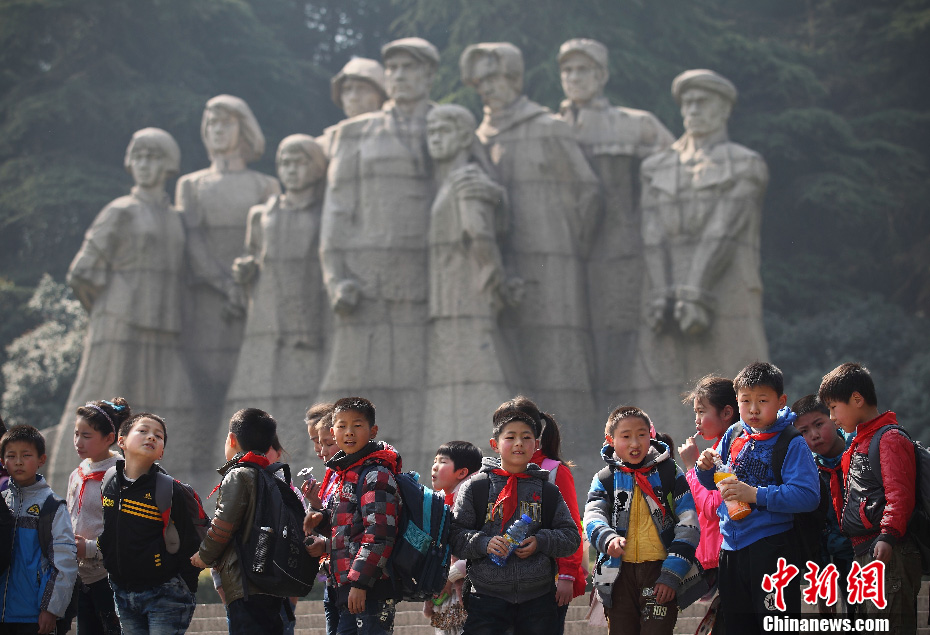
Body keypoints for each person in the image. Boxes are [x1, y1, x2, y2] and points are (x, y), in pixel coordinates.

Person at [459, 43, 601, 427]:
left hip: (553, 257)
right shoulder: (476, 135)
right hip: (499, 263)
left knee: (558, 353)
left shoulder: (548, 127)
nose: (488, 87)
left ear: (515, 79)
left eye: (496, 78)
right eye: (481, 81)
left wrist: (571, 247)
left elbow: (587, 191)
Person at [318, 39, 441, 477]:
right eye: (394, 68)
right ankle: (343, 479)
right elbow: (336, 209)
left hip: (425, 279)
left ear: (429, 75)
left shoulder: (445, 123)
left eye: (412, 67)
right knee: (353, 387)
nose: (401, 76)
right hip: (363, 281)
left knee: (419, 380)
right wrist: (335, 276)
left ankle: (412, 477)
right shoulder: (357, 132)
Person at [50, 128, 195, 490]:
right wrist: (111, 306)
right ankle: (76, 481)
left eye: (154, 157)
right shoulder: (120, 210)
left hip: (162, 324)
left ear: (168, 165)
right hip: (119, 321)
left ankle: (150, 485)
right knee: (101, 400)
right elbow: (83, 270)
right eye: (140, 156)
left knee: (162, 405)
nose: (146, 164)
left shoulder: (174, 217)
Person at [636, 69, 769, 428]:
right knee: (667, 390)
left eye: (703, 102)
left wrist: (695, 291)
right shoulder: (655, 167)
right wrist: (662, 290)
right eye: (688, 102)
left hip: (726, 290)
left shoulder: (745, 163)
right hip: (668, 295)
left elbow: (724, 228)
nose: (693, 109)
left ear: (724, 109)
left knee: (743, 383)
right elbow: (652, 235)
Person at [555, 38, 674, 408]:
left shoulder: (635, 125)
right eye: (568, 70)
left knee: (618, 340)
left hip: (619, 254)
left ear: (602, 75)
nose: (575, 77)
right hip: (559, 256)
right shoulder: (547, 128)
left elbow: (676, 175)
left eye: (584, 69)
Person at [175, 95, 280, 423]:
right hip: (207, 299)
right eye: (212, 123)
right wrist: (226, 286)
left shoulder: (266, 185)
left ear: (244, 128)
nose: (217, 130)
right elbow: (192, 242)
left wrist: (243, 283)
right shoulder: (190, 185)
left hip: (252, 301)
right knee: (205, 378)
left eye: (226, 122)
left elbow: (269, 243)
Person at [695, 362, 820, 634]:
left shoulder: (791, 441)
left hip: (772, 548)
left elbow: (808, 495)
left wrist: (755, 495)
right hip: (730, 549)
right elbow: (719, 482)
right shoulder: (734, 433)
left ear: (780, 401)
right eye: (745, 401)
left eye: (762, 401)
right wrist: (704, 469)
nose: (753, 409)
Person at [224, 135, 329, 457]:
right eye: (285, 162)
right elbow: (253, 257)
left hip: (307, 317)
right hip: (266, 317)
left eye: (299, 162)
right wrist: (244, 270)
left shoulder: (325, 212)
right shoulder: (262, 213)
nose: (291, 169)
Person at [423, 103, 516, 453]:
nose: (434, 139)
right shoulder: (452, 179)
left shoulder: (466, 178)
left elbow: (480, 235)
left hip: (465, 293)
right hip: (451, 294)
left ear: (464, 136)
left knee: (480, 371)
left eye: (442, 131)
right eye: (430, 132)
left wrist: (490, 280)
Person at [449, 408, 581, 635]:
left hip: (538, 599)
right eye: (510, 437)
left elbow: (571, 537)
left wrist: (541, 541)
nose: (519, 443)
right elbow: (455, 535)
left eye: (526, 437)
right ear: (494, 444)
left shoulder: (548, 490)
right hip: (486, 597)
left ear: (536, 445)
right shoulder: (476, 487)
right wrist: (484, 543)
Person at [818, 362, 920, 630]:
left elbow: (900, 493)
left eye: (833, 408)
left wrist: (888, 535)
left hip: (888, 550)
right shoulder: (859, 441)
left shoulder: (889, 438)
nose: (832, 417)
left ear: (857, 399)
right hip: (865, 551)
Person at [584, 406, 701, 635]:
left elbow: (689, 524)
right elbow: (593, 516)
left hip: (659, 572)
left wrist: (671, 574)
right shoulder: (605, 479)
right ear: (611, 440)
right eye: (626, 436)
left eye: (641, 434)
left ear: (651, 435)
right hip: (618, 575)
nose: (635, 443)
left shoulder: (669, 473)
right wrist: (608, 539)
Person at [303, 397, 403, 635]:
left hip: (369, 589)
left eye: (357, 425)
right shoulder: (347, 473)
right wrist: (323, 519)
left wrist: (360, 583)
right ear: (332, 431)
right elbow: (350, 528)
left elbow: (379, 533)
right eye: (342, 426)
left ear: (373, 431)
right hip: (349, 587)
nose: (349, 432)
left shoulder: (375, 474)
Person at [98, 413, 201, 635]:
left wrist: (184, 585)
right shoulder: (108, 481)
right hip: (123, 592)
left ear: (161, 452)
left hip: (165, 593)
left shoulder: (169, 489)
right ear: (121, 440)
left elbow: (189, 541)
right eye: (143, 431)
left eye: (159, 436)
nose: (151, 437)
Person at [190, 408, 289, 634]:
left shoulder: (239, 474)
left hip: (245, 583)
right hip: (270, 580)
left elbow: (223, 524)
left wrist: (203, 556)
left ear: (232, 439)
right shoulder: (272, 476)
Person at [494, 397, 586, 635]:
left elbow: (572, 526)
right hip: (502, 582)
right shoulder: (493, 474)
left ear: (534, 436)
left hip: (547, 581)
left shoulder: (554, 471)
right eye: (507, 432)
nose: (516, 441)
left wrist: (567, 574)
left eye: (523, 434)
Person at [0, 425, 77, 635]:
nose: (18, 461)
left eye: (26, 455)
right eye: (11, 456)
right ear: (2, 461)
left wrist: (51, 609)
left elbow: (64, 561)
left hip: (34, 615)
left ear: (41, 459)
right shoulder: (2, 502)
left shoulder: (52, 506)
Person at [676, 374, 738, 631]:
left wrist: (690, 466)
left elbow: (713, 506)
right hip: (717, 554)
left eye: (702, 411)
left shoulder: (730, 449)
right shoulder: (717, 447)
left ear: (726, 413)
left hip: (727, 552)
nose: (697, 420)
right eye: (695, 413)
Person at [67, 398, 133, 635]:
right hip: (81, 578)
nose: (78, 442)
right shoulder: (77, 474)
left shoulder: (122, 473)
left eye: (86, 436)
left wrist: (92, 548)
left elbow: (128, 531)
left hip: (111, 577)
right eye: (76, 434)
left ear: (109, 438)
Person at [791, 394, 857, 619]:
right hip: (827, 555)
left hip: (862, 553)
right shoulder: (806, 469)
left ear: (833, 418)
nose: (814, 435)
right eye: (804, 432)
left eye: (819, 425)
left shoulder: (859, 452)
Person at [423, 441, 482, 635]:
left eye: (442, 461)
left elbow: (475, 550)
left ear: (462, 472)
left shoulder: (474, 500)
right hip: (446, 595)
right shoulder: (440, 503)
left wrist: (448, 579)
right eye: (435, 460)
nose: (434, 466)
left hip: (469, 593)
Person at [318, 58, 388, 156]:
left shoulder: (397, 137)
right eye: (347, 89)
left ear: (381, 95)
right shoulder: (324, 145)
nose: (353, 97)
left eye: (362, 88)